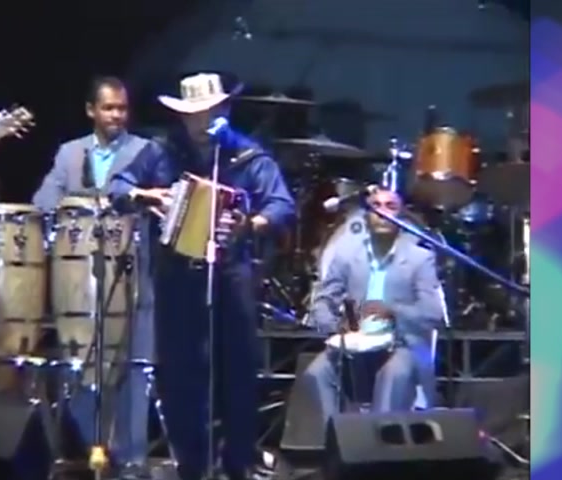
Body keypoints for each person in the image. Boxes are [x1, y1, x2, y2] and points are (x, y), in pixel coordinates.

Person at [108, 73, 295, 480]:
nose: (202, 120)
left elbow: (282, 205)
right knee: (179, 375)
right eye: (194, 113)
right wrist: (146, 196)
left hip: (231, 274)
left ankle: (237, 464)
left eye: (210, 111)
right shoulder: (161, 152)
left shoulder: (248, 156)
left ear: (224, 109)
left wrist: (250, 223)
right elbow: (117, 187)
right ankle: (192, 466)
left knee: (237, 372)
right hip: (176, 275)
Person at [31, 76, 153, 478]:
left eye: (122, 108)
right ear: (91, 111)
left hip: (134, 272)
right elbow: (43, 201)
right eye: (109, 108)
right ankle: (98, 450)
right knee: (80, 366)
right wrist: (73, 206)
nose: (117, 115)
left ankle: (133, 460)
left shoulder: (146, 151)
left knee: (133, 366)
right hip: (79, 278)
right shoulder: (70, 153)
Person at [301, 187, 444, 424]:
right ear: (366, 216)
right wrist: (334, 326)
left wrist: (393, 311)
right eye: (376, 206)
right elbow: (323, 301)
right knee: (316, 373)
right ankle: (336, 439)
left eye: (390, 206)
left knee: (393, 375)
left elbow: (433, 314)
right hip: (355, 343)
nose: (382, 212)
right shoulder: (346, 255)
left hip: (401, 344)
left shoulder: (420, 258)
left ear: (401, 217)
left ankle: (379, 440)